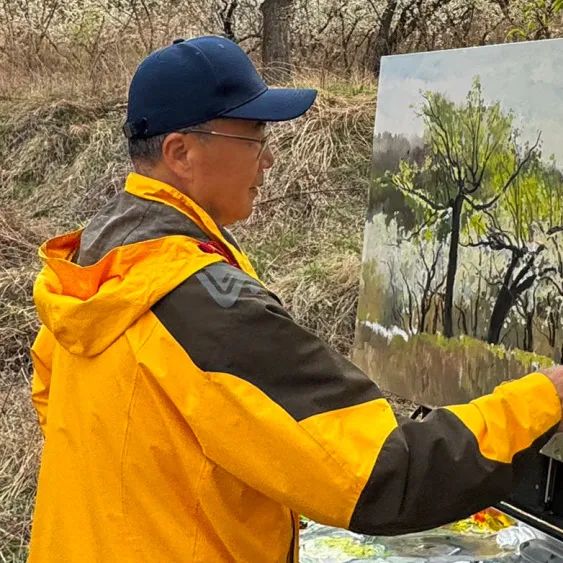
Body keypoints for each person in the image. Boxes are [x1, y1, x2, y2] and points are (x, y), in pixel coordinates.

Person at [28, 35, 562, 563]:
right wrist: (544, 398)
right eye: (254, 137)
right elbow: (382, 471)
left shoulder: (95, 262)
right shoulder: (203, 307)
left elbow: (63, 408)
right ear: (180, 152)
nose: (270, 161)